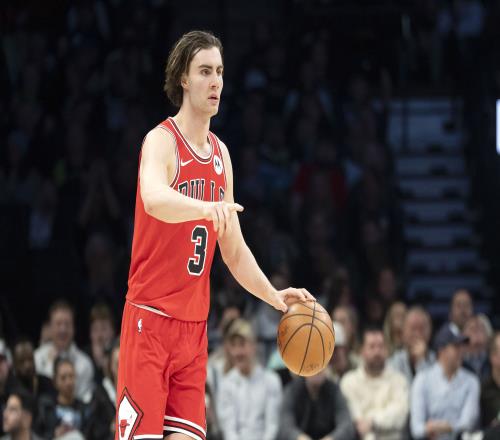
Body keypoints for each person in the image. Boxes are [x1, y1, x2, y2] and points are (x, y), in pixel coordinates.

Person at [116, 30, 313, 440]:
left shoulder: (221, 155)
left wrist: (274, 297)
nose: (215, 82)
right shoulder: (161, 141)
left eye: (220, 72)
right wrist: (205, 207)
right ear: (183, 79)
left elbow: (234, 251)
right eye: (205, 71)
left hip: (194, 330)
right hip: (150, 321)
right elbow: (153, 197)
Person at [410, 325, 480, 439]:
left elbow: (468, 423)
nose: (461, 351)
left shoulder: (471, 381)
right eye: (456, 347)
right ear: (441, 350)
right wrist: (429, 429)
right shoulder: (422, 380)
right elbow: (416, 429)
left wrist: (444, 427)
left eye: (461, 346)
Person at [217, 319, 282, 440]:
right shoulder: (226, 384)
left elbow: (272, 426)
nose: (237, 352)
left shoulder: (271, 381)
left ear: (253, 346)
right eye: (234, 346)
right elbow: (229, 430)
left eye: (242, 345)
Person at [340, 326, 409, 440]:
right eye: (372, 347)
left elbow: (400, 416)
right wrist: (385, 417)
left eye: (381, 346)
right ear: (362, 351)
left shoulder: (399, 381)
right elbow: (358, 423)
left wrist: (373, 421)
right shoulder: (349, 382)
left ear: (387, 350)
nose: (377, 352)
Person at [34, 300, 94, 403]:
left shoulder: (85, 364)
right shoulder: (37, 358)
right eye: (58, 324)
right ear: (50, 327)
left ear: (74, 327)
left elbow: (85, 401)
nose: (63, 330)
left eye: (67, 324)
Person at [279, 369, 355, 440]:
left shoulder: (334, 390)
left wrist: (330, 438)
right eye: (312, 367)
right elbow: (285, 427)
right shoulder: (292, 391)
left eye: (320, 366)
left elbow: (346, 426)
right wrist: (300, 438)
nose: (317, 371)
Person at [36, 358, 88, 439]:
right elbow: (38, 435)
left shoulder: (84, 408)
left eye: (71, 376)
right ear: (55, 382)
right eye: (63, 378)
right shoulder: (46, 407)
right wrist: (53, 435)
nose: (68, 382)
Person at [388, 306, 435, 384]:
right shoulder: (394, 362)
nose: (417, 334)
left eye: (421, 329)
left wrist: (421, 362)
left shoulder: (437, 362)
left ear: (430, 332)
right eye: (413, 329)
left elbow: (430, 389)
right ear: (403, 332)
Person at [463, 314, 492, 380]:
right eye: (472, 329)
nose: (476, 332)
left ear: (488, 336)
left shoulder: (495, 359)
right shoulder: (458, 361)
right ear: (463, 335)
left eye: (480, 329)